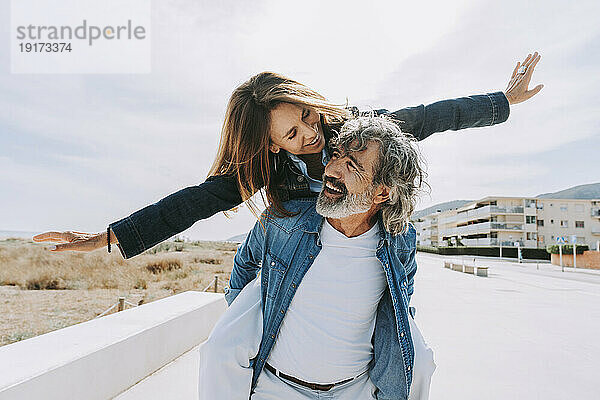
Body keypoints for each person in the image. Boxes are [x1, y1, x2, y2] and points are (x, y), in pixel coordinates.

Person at [32, 53, 543, 258]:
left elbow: (431, 115)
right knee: (281, 225)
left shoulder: (355, 131)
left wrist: (503, 102)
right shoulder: (264, 167)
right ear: (270, 144)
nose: (311, 135)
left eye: (308, 118)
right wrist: (111, 235)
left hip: (364, 230)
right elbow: (194, 202)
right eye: (292, 135)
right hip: (299, 237)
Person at [218, 116, 430, 399]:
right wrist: (242, 328)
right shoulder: (282, 220)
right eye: (337, 155)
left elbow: (401, 307)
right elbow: (244, 266)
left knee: (424, 359)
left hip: (355, 391)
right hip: (277, 389)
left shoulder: (401, 240)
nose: (331, 170)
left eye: (351, 165)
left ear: (382, 192)